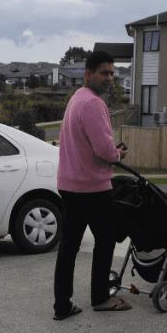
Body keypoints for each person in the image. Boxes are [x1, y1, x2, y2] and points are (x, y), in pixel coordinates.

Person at [53, 50, 130, 319]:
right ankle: (100, 297)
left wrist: (109, 149)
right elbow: (104, 151)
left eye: (112, 73)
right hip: (92, 186)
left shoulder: (76, 99)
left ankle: (62, 304)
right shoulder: (94, 103)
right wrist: (118, 153)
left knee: (69, 245)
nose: (109, 78)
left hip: (69, 183)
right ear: (88, 74)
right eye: (104, 73)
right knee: (106, 240)